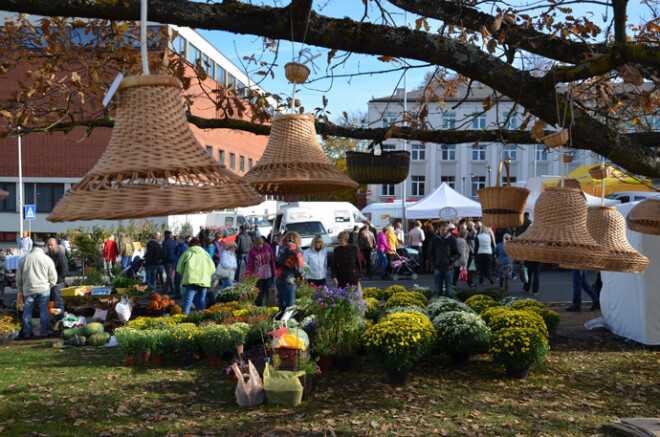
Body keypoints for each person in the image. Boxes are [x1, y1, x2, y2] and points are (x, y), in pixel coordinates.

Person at [16, 240, 57, 338]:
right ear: (43, 247)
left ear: (33, 247)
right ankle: (44, 331)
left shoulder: (24, 259)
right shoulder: (47, 259)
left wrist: (21, 289)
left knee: (27, 311)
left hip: (28, 289)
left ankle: (26, 333)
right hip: (43, 288)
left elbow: (18, 277)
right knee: (44, 310)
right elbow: (53, 276)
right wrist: (50, 285)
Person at [177, 238, 215, 314]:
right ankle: (202, 320)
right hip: (204, 280)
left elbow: (179, 268)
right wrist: (206, 276)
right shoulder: (205, 253)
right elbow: (213, 269)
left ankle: (185, 321)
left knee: (188, 302)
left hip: (191, 279)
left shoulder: (187, 252)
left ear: (190, 245)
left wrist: (185, 275)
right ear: (199, 245)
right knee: (201, 301)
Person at [275, 231, 304, 315]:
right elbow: (300, 268)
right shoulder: (297, 252)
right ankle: (288, 325)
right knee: (290, 307)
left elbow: (277, 261)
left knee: (281, 306)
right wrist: (301, 278)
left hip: (279, 278)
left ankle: (279, 325)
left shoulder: (281, 249)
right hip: (290, 280)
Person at [428, 221, 460, 298]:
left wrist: (451, 260)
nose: (444, 231)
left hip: (448, 267)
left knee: (449, 290)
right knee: (438, 290)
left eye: (446, 229)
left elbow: (457, 253)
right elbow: (429, 252)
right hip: (438, 266)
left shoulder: (452, 239)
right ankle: (438, 305)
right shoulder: (434, 239)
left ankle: (450, 305)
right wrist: (434, 260)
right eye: (442, 229)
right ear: (438, 229)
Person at [247, 237, 276, 306]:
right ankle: (259, 307)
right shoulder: (252, 251)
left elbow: (272, 260)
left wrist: (273, 272)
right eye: (257, 247)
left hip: (268, 273)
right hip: (258, 274)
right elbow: (250, 264)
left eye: (260, 246)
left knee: (268, 292)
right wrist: (250, 275)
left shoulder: (268, 247)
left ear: (262, 243)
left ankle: (269, 306)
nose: (259, 248)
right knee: (259, 293)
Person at [46, 238, 68, 319]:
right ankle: (53, 322)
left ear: (56, 245)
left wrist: (58, 281)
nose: (49, 247)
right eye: (48, 245)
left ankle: (60, 322)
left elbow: (64, 270)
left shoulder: (60, 256)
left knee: (58, 303)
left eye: (51, 245)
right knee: (50, 303)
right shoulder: (47, 255)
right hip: (49, 283)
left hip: (57, 284)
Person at [161, 231, 177, 296]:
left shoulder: (165, 242)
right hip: (173, 260)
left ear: (165, 235)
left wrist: (163, 260)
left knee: (169, 276)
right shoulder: (173, 242)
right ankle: (166, 289)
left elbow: (164, 253)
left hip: (168, 261)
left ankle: (173, 289)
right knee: (169, 275)